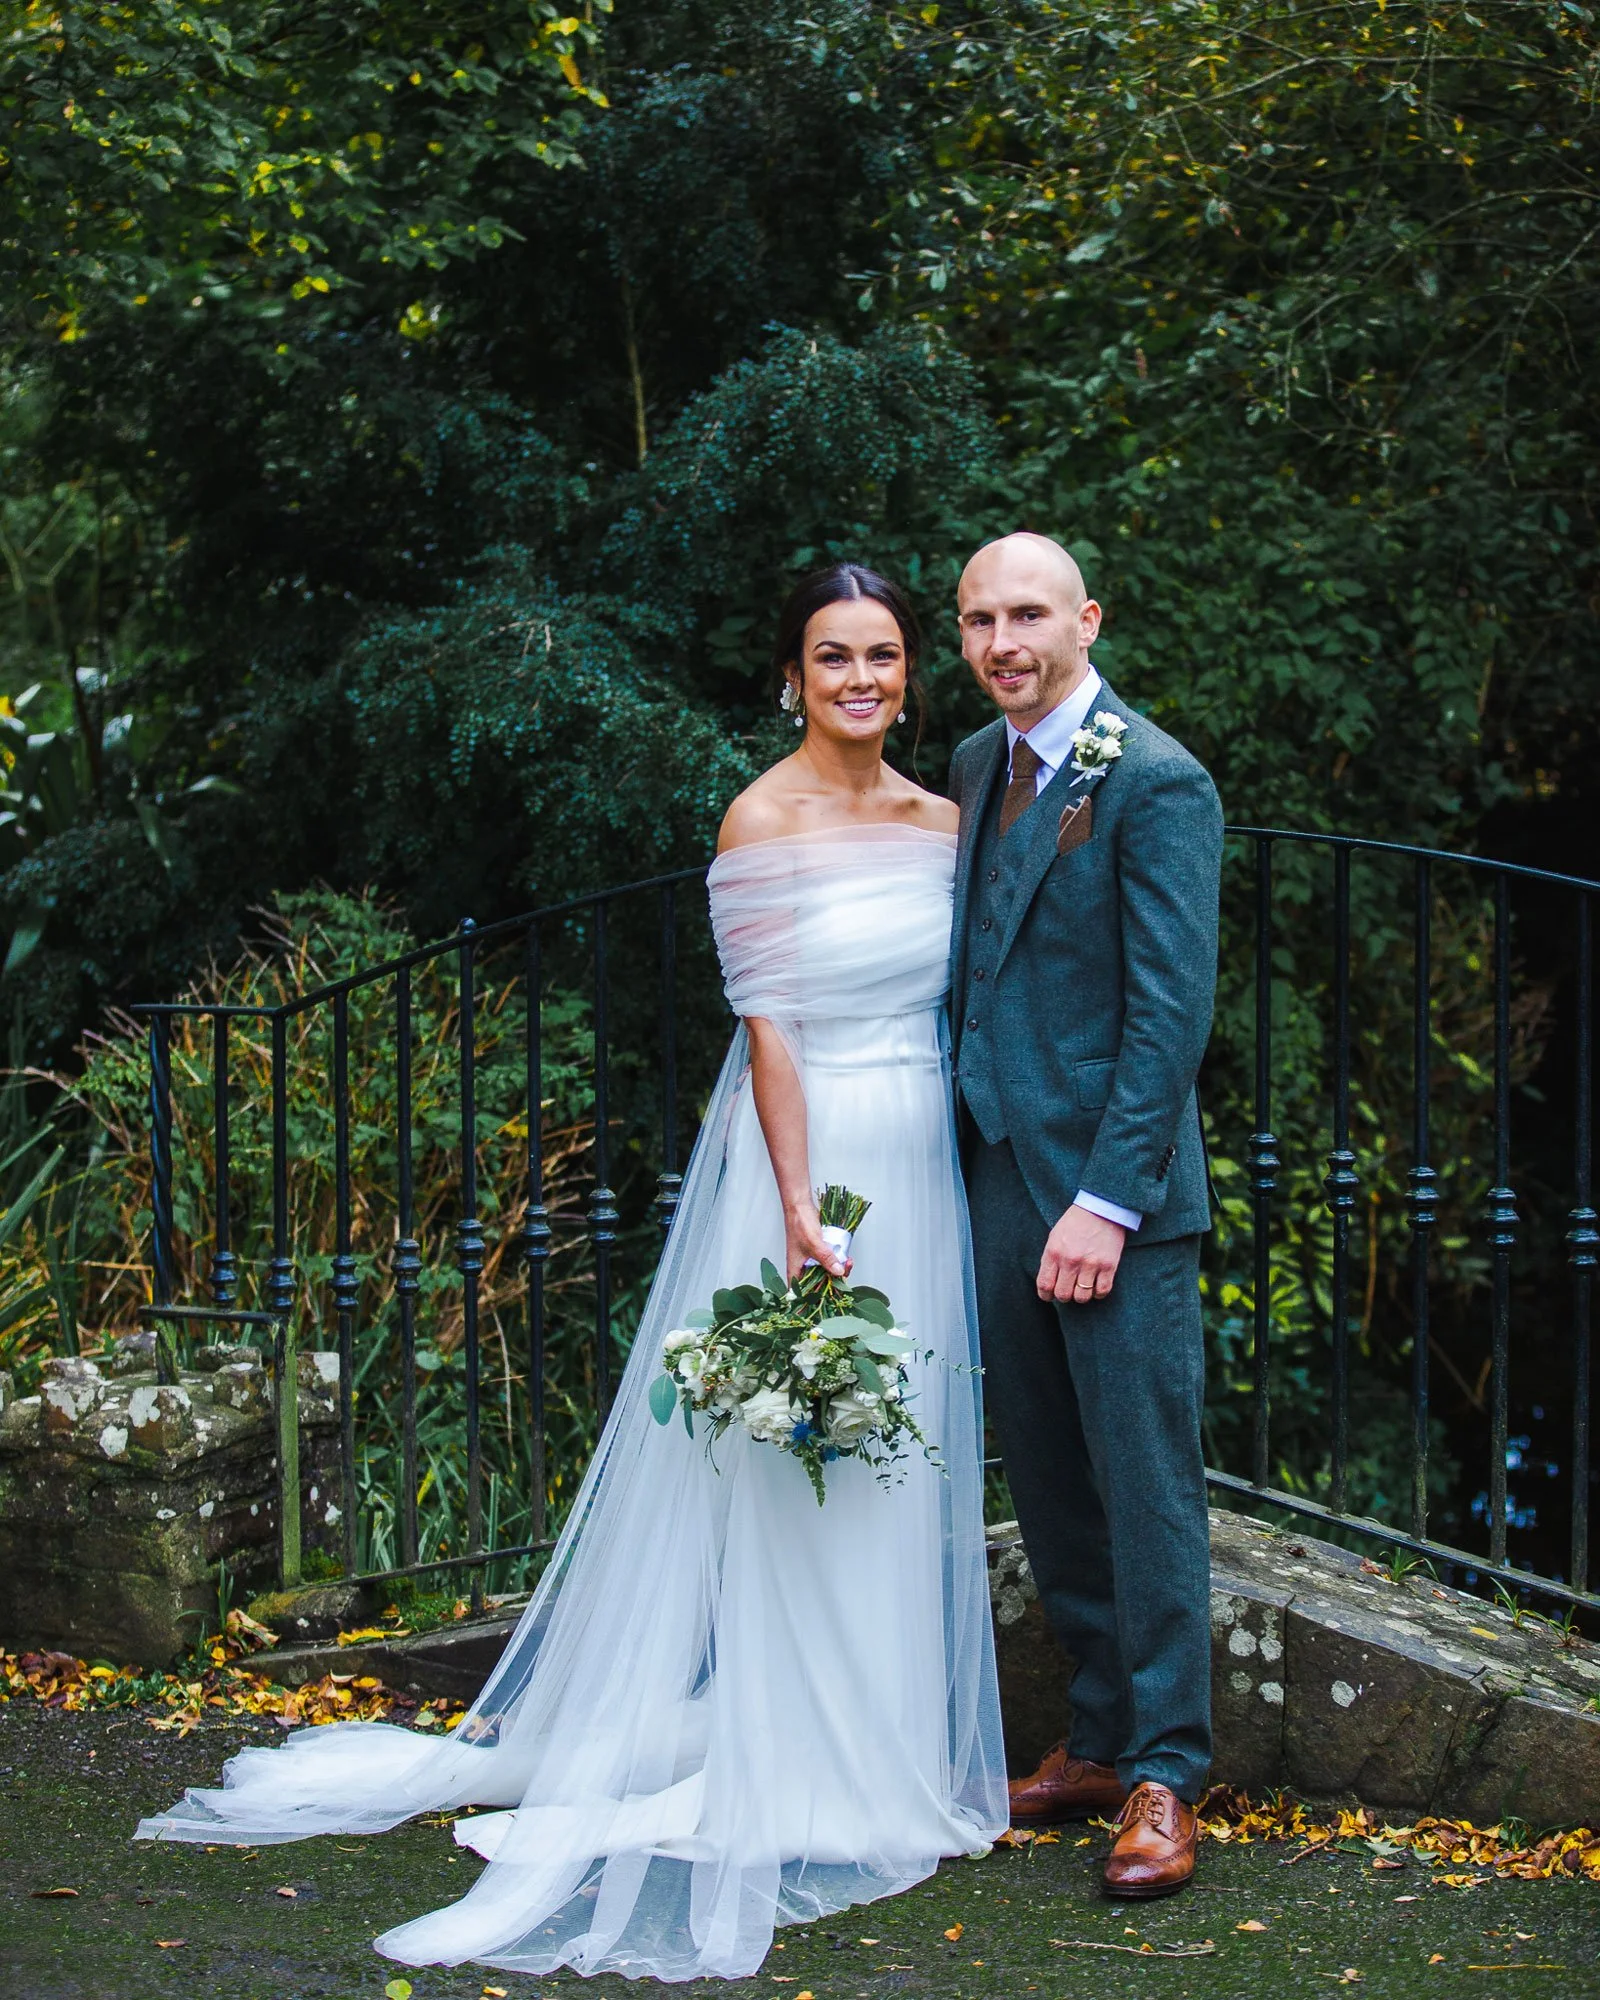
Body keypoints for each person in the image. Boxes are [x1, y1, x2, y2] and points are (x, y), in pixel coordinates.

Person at [137, 562, 1008, 1982]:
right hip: (816, 1165)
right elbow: (770, 1029)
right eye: (834, 655)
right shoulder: (760, 817)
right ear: (791, 676)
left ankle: (890, 1739)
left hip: (924, 1160)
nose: (863, 678)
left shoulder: (946, 822)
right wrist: (798, 1206)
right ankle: (795, 1746)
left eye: (886, 655)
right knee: (799, 1454)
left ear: (913, 676)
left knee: (899, 1447)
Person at [949, 531, 1222, 1899]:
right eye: (982, 619)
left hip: (1115, 1201)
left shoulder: (1157, 780)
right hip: (998, 1177)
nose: (1005, 641)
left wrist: (1106, 1201)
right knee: (1051, 1480)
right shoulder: (973, 767)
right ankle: (1103, 1742)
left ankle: (1171, 1769)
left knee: (1146, 1486)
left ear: (1087, 620)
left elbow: (1170, 1016)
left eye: (1030, 616)